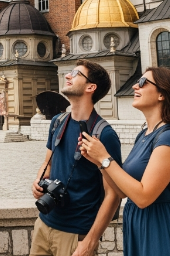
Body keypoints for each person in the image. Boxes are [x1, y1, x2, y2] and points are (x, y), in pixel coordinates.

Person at [80, 67, 170, 256]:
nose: (134, 86)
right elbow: (123, 192)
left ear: (162, 94)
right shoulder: (145, 135)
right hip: (140, 224)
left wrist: (105, 158)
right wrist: (98, 161)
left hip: (163, 228)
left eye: (142, 82)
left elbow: (143, 197)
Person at [30, 59, 122, 256]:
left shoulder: (104, 135)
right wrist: (38, 182)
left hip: (76, 233)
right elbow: (47, 164)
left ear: (91, 87)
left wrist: (89, 243)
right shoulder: (57, 122)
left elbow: (113, 195)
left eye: (76, 73)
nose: (67, 75)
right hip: (44, 224)